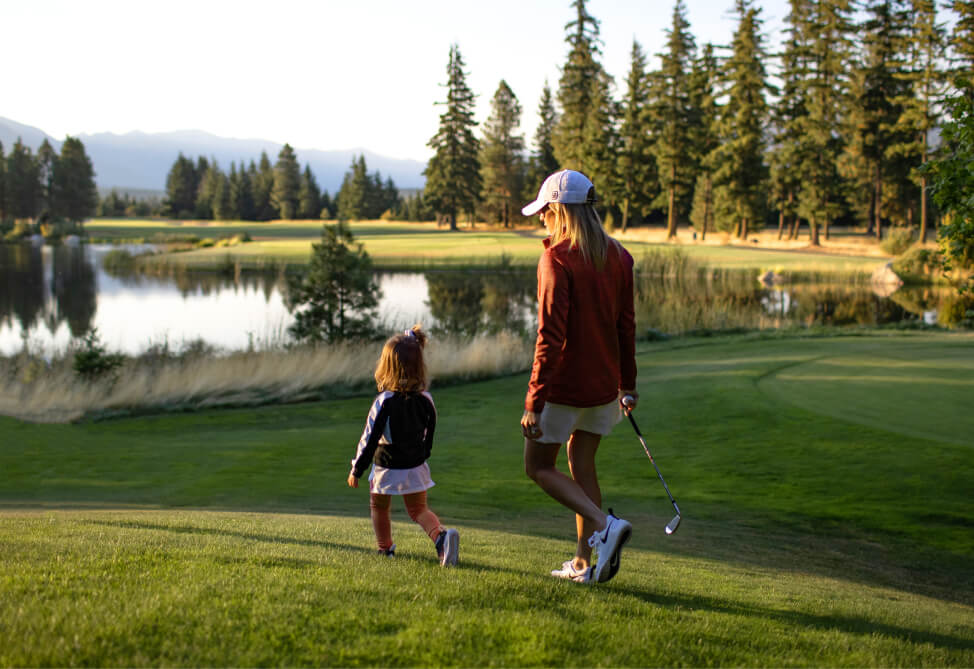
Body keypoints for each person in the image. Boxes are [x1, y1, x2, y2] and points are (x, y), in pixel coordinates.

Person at [520, 169, 638, 584]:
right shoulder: (619, 256)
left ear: (558, 210)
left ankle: (603, 526)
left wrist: (534, 402)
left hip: (565, 388)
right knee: (581, 465)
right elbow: (626, 327)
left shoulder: (556, 258)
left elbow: (549, 337)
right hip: (604, 389)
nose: (541, 220)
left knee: (537, 467)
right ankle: (585, 565)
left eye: (545, 212)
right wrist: (628, 384)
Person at [347, 325, 460, 566]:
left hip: (386, 466)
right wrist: (422, 455)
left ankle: (385, 548)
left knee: (379, 507)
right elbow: (429, 435)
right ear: (419, 367)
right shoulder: (426, 400)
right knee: (419, 510)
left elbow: (369, 438)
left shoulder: (384, 402)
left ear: (387, 367)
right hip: (415, 465)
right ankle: (441, 539)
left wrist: (357, 468)